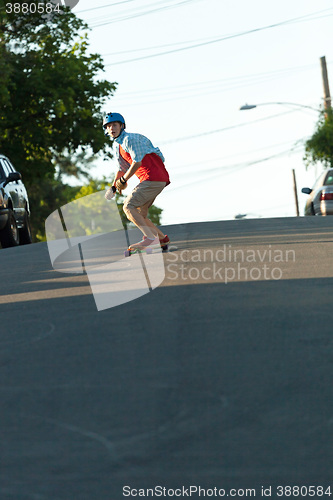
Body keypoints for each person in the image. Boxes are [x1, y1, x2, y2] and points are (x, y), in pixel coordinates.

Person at [103, 112, 170, 250]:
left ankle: (150, 239)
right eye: (108, 126)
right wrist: (114, 187)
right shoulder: (117, 146)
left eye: (114, 125)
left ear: (122, 126)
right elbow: (122, 168)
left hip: (153, 177)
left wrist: (123, 179)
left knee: (128, 207)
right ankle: (162, 239)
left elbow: (137, 162)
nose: (111, 128)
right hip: (154, 179)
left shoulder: (129, 139)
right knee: (139, 214)